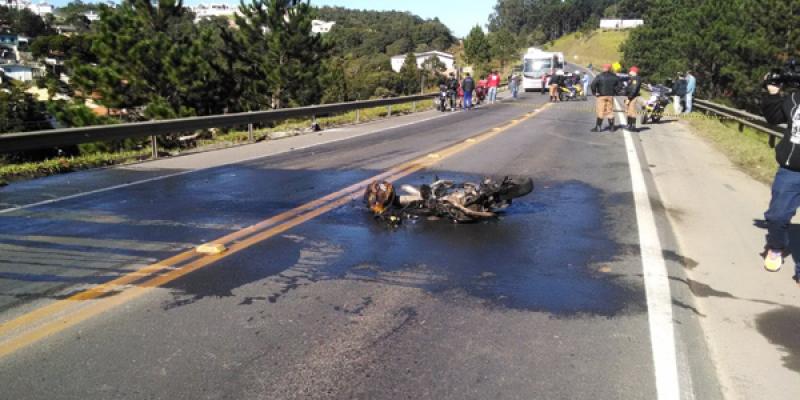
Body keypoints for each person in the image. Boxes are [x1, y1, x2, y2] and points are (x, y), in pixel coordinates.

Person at [761, 77, 800, 284]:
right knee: (777, 217)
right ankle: (776, 247)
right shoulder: (794, 99)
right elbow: (773, 118)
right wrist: (773, 95)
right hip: (791, 170)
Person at [589, 64, 621, 132]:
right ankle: (612, 128)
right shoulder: (614, 76)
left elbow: (593, 85)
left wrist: (594, 92)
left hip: (601, 96)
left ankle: (598, 128)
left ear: (604, 68)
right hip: (610, 96)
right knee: (610, 111)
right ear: (610, 69)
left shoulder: (600, 76)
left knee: (600, 111)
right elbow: (620, 85)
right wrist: (615, 91)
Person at [624, 66, 642, 132]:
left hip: (633, 97)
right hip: (631, 96)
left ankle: (633, 127)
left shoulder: (636, 79)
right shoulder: (633, 78)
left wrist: (629, 98)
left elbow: (634, 90)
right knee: (629, 112)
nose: (629, 72)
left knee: (632, 112)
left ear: (634, 72)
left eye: (630, 71)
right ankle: (629, 125)